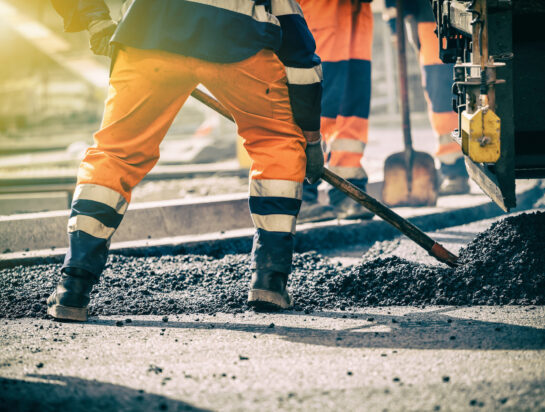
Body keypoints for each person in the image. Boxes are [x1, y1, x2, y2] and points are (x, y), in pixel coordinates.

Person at [47, 0, 324, 321]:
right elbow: (296, 44)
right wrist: (310, 136)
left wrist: (93, 20)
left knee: (115, 152)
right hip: (237, 37)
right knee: (276, 143)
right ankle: (270, 281)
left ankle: (74, 286)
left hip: (150, 31)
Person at [296, 0, 469, 223]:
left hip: (355, 10)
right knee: (319, 100)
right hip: (320, 10)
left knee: (352, 107)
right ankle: (300, 195)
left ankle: (347, 191)